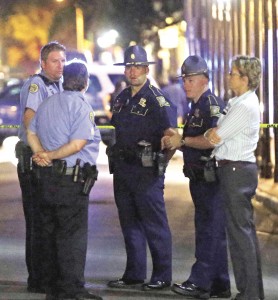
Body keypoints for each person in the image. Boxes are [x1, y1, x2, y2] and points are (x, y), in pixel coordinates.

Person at [27, 60, 102, 300]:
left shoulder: (48, 103)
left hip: (46, 179)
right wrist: (48, 155)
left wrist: (40, 155)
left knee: (50, 234)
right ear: (86, 82)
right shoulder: (81, 107)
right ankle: (71, 290)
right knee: (72, 236)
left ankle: (53, 288)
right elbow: (78, 143)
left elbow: (31, 132)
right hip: (71, 181)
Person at [106, 45, 177, 291]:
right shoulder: (122, 98)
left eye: (138, 66)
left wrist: (161, 164)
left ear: (146, 69)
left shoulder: (159, 100)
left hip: (146, 171)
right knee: (129, 223)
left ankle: (161, 275)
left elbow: (172, 136)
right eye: (129, 66)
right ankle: (134, 273)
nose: (133, 71)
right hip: (124, 169)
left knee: (154, 225)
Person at [161, 55, 231, 299]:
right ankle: (220, 283)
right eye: (185, 80)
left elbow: (212, 140)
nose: (186, 84)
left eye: (190, 79)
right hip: (200, 178)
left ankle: (200, 282)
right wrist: (176, 142)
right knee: (212, 231)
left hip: (210, 179)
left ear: (204, 79)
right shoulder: (196, 107)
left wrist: (183, 140)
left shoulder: (211, 106)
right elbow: (191, 142)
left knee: (208, 231)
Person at [205, 55, 264, 300]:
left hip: (237, 171)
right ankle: (247, 291)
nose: (229, 76)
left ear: (245, 78)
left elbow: (215, 136)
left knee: (241, 234)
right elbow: (215, 132)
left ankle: (250, 293)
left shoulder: (245, 105)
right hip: (232, 169)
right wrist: (214, 132)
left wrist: (214, 133)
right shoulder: (236, 101)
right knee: (239, 233)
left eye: (233, 73)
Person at [15, 41, 66, 293]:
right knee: (38, 221)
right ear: (43, 63)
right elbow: (29, 117)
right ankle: (38, 278)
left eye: (63, 61)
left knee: (49, 222)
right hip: (35, 161)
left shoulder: (57, 86)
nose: (60, 66)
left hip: (47, 160)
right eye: (55, 61)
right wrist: (41, 151)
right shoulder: (37, 84)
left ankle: (47, 274)